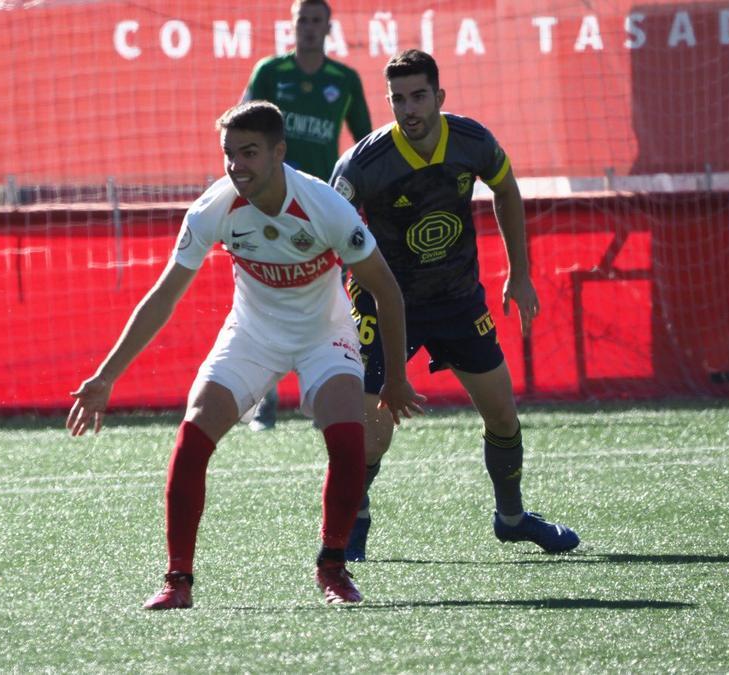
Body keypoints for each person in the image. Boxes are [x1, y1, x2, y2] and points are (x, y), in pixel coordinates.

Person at [67, 101, 424, 609]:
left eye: (250, 153)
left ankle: (332, 568)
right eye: (229, 154)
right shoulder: (214, 207)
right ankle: (177, 582)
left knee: (349, 441)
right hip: (252, 334)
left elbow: (387, 291)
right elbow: (164, 296)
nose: (237, 166)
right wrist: (106, 377)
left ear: (280, 152)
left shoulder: (325, 207)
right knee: (193, 436)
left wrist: (396, 379)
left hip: (325, 334)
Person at [329, 49, 580, 561]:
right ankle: (354, 519)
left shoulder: (472, 141)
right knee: (372, 439)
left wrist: (520, 273)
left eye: (419, 96)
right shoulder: (363, 163)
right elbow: (331, 228)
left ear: (439, 96)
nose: (409, 109)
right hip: (386, 305)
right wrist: (328, 298)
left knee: (504, 417)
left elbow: (506, 190)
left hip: (459, 301)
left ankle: (511, 519)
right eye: (398, 99)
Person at [241, 0, 373, 431]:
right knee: (262, 292)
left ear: (328, 27)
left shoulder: (345, 80)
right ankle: (264, 401)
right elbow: (241, 132)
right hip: (269, 203)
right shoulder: (271, 74)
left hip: (323, 208)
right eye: (303, 20)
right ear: (293, 25)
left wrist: (364, 203)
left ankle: (324, 396)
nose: (310, 28)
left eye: (317, 21)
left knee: (330, 297)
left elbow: (365, 148)